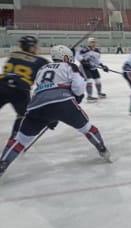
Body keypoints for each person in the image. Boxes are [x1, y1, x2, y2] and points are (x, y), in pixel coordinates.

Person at [0, 45, 111, 178]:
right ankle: (102, 150)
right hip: (63, 100)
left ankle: (3, 164)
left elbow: (44, 89)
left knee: (20, 139)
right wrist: (78, 97)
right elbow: (78, 86)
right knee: (87, 128)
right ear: (65, 57)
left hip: (36, 105)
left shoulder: (42, 69)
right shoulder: (70, 66)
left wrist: (51, 118)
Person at [0, 36, 49, 139]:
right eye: (36, 46)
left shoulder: (13, 55)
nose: (37, 48)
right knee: (23, 115)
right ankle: (15, 140)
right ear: (31, 47)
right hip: (20, 90)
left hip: (2, 85)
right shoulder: (40, 60)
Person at [77, 37, 109, 101]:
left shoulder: (97, 51)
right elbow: (78, 56)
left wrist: (103, 66)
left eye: (94, 42)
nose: (93, 43)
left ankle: (99, 93)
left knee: (98, 81)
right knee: (89, 81)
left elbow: (97, 61)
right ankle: (89, 96)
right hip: (85, 68)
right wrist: (84, 62)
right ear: (89, 43)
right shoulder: (85, 49)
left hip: (93, 67)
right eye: (92, 42)